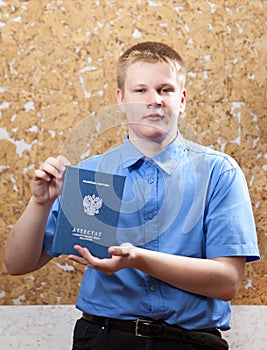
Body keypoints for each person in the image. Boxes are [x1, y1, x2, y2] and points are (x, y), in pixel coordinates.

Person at [5, 41, 260, 350]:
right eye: (140, 91)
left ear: (182, 100)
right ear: (121, 100)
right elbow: (18, 264)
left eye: (165, 89)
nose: (154, 100)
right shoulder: (90, 177)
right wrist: (40, 204)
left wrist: (138, 259)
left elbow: (227, 282)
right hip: (103, 339)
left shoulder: (219, 173)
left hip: (192, 343)